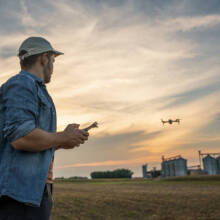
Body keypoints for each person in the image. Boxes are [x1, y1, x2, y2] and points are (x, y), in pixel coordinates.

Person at [0, 36, 89, 220]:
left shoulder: (34, 88)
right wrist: (62, 137)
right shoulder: (22, 84)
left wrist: (64, 140)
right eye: (53, 60)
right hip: (19, 196)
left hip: (35, 190)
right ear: (44, 58)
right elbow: (21, 137)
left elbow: (30, 139)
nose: (53, 67)